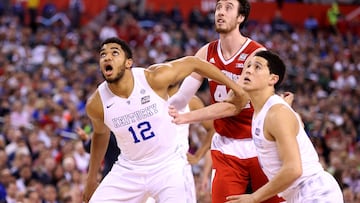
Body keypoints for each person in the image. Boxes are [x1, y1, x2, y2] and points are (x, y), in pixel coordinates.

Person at [82, 37, 245, 203]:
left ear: (128, 63)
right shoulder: (96, 104)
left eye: (114, 53)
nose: (107, 57)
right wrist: (91, 179)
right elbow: (100, 134)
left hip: (168, 165)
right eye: (103, 55)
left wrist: (236, 88)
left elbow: (194, 63)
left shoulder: (154, 78)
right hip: (129, 168)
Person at [168, 0, 283, 202]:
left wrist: (186, 117)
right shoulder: (206, 53)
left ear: (241, 17)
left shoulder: (256, 55)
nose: (220, 12)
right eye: (218, 7)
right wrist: (157, 108)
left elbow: (233, 105)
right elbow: (182, 97)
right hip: (226, 146)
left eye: (228, 7)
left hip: (259, 142)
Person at [225, 50, 344, 203]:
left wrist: (254, 198)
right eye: (247, 66)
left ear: (273, 79)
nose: (248, 70)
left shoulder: (277, 113)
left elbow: (293, 169)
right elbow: (230, 99)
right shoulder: (268, 111)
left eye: (257, 67)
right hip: (297, 194)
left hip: (315, 192)